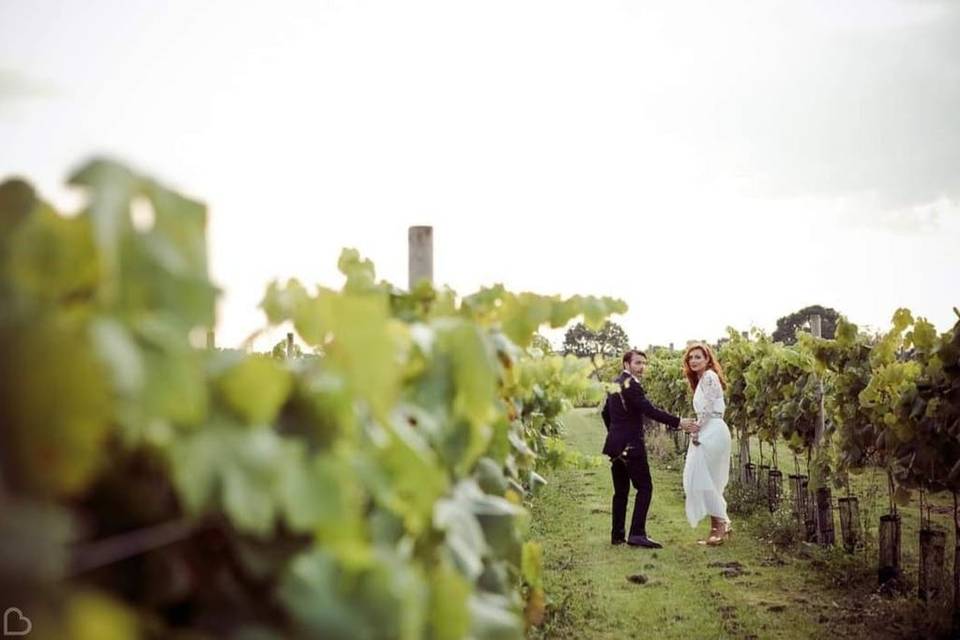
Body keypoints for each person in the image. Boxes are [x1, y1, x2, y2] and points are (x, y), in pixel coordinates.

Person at [601, 349, 699, 548]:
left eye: (644, 363)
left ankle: (617, 535)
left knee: (621, 491)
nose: (642, 367)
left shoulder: (615, 383)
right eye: (637, 363)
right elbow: (650, 411)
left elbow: (605, 413)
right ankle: (637, 534)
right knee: (645, 487)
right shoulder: (632, 386)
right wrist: (679, 422)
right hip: (631, 445)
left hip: (615, 445)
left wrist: (615, 433)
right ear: (626, 364)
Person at [680, 343, 733, 545]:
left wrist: (696, 428)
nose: (694, 360)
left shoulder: (710, 376)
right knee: (703, 479)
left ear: (707, 360)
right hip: (706, 430)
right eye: (691, 358)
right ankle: (719, 526)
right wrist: (697, 428)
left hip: (714, 430)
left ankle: (720, 527)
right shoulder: (701, 379)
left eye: (698, 357)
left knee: (708, 480)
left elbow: (709, 408)